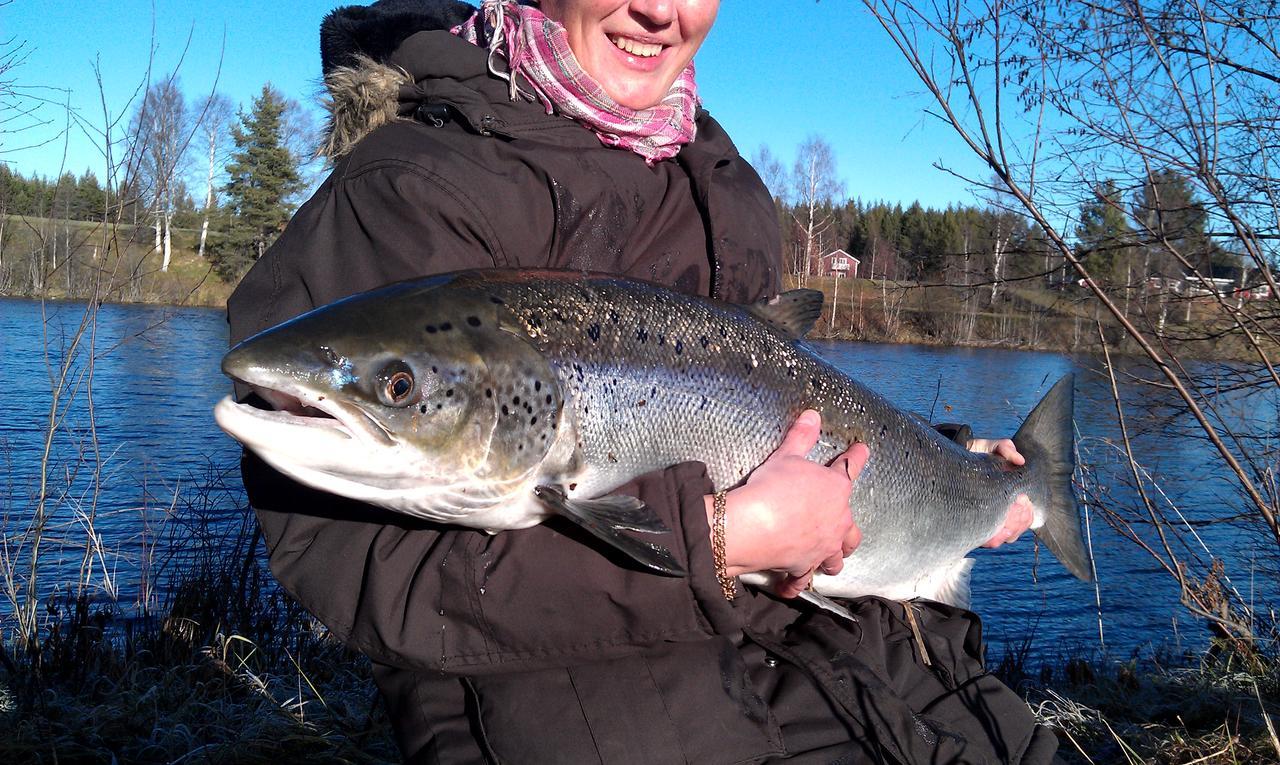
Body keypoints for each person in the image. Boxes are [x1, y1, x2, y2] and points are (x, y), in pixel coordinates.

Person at [226, 0, 1059, 762]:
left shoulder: (723, 187)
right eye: (400, 389)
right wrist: (723, 541)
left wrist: (951, 465)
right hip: (588, 715)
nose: (660, 10)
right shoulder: (408, 188)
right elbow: (360, 561)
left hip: (845, 666)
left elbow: (798, 408)